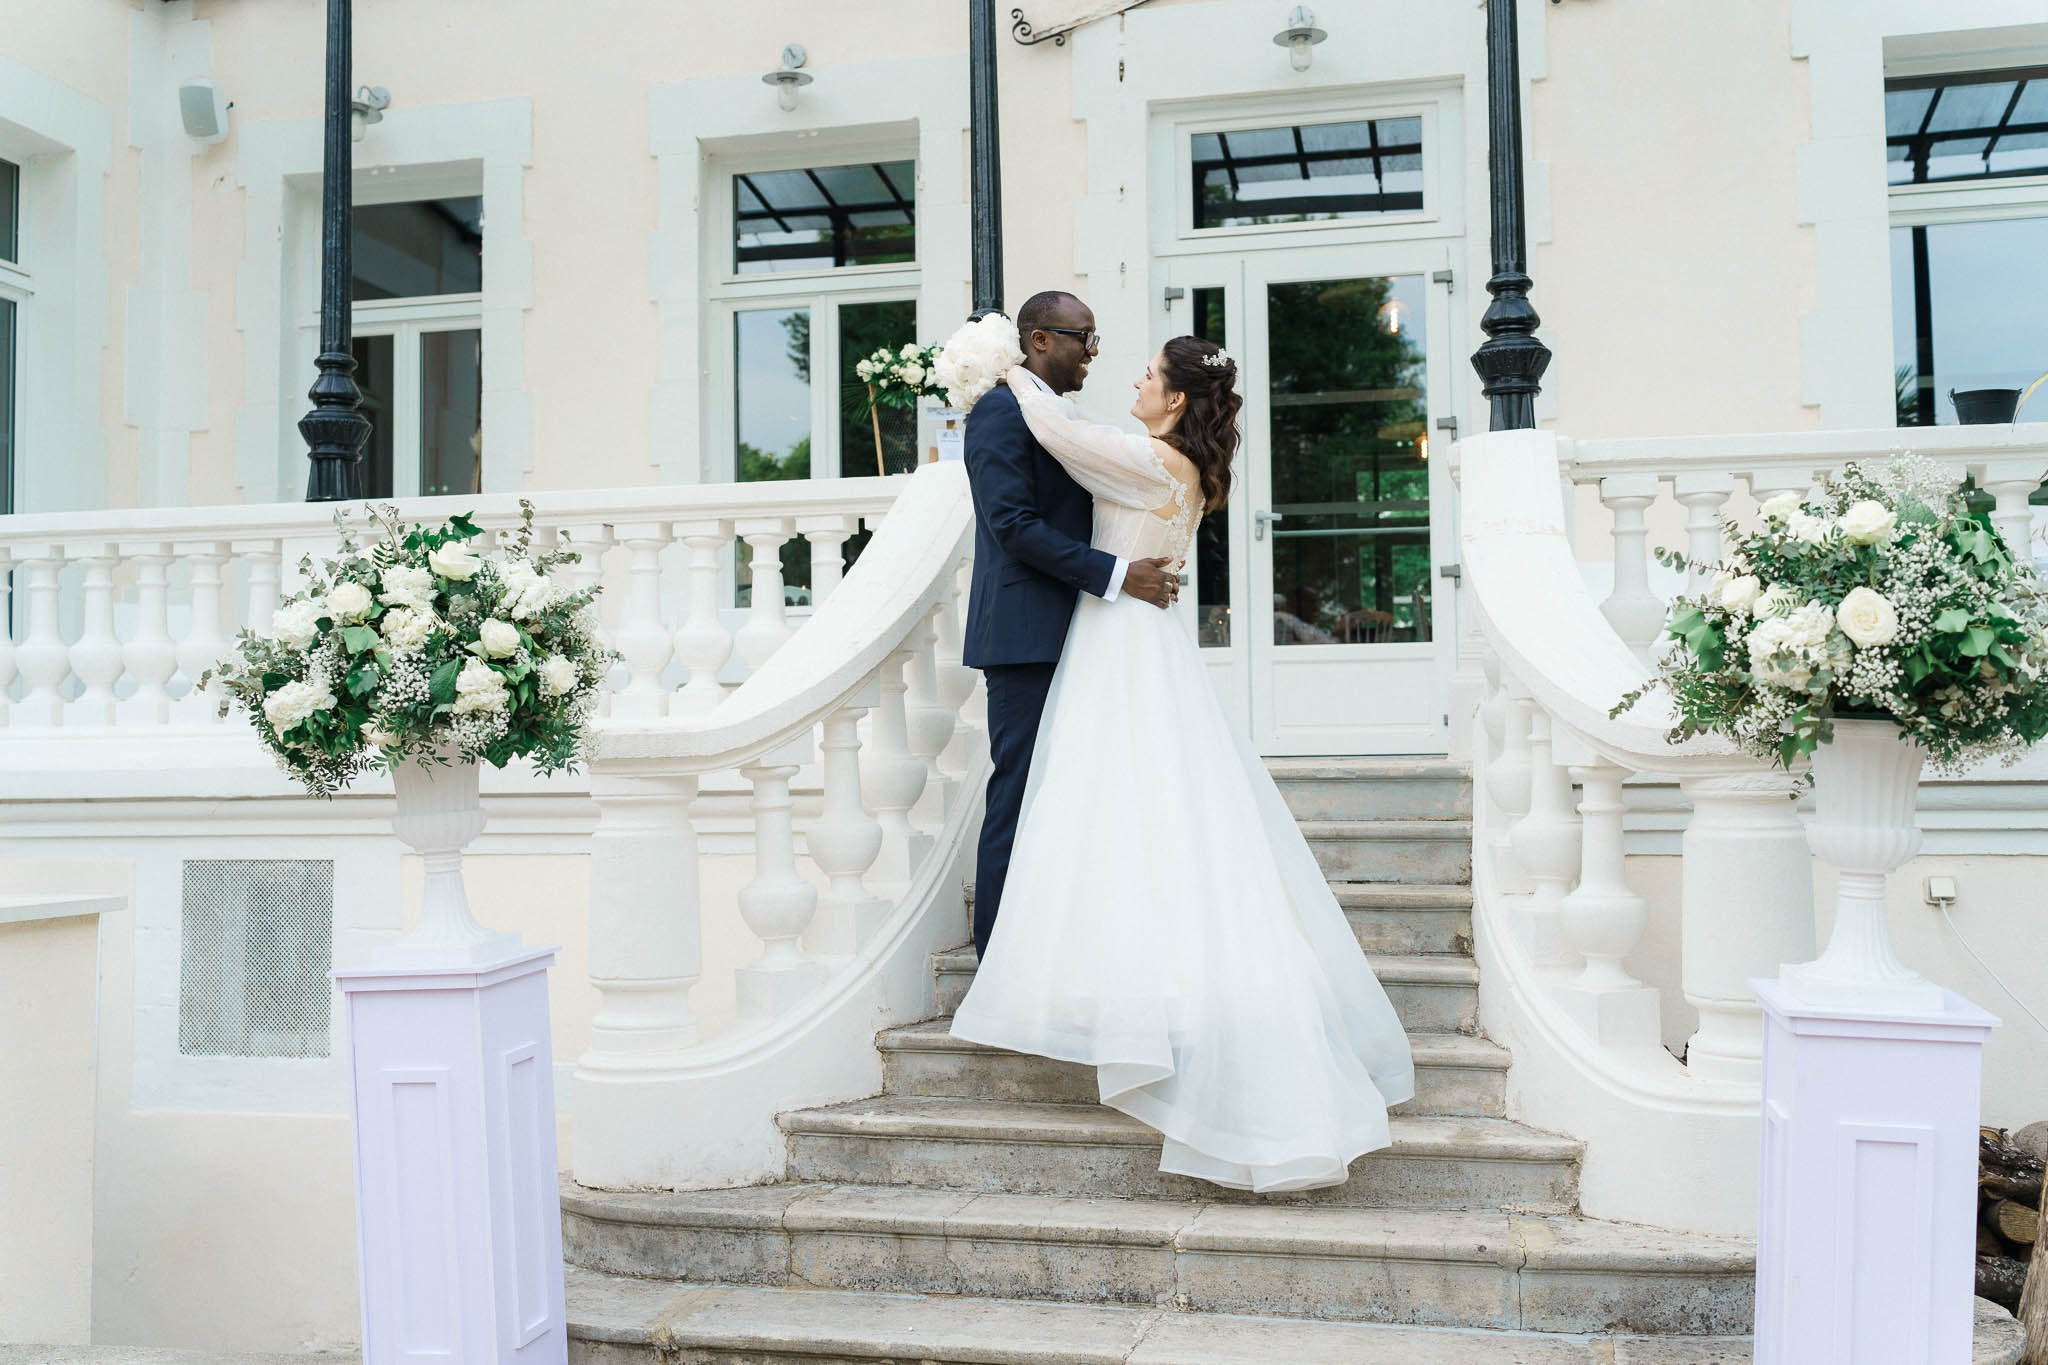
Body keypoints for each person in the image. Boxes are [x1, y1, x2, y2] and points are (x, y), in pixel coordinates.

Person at [950, 332, 1415, 1194]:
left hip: (1119, 644)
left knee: (1114, 807)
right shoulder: (1171, 460)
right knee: (1130, 812)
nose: (1131, 375)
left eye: (1148, 374)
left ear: (1173, 401)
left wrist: (998, 365)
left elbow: (1057, 436)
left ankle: (1110, 984)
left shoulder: (1154, 460)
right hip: (1123, 638)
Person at [959, 291, 1177, 961]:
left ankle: (1057, 947)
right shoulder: (1000, 413)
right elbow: (1012, 526)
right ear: (1040, 340)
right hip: (1025, 635)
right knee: (1020, 791)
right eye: (1082, 336)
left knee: (1073, 799)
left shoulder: (1059, 415)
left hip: (1083, 632)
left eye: (1094, 335)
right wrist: (1117, 573)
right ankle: (996, 956)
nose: (1094, 349)